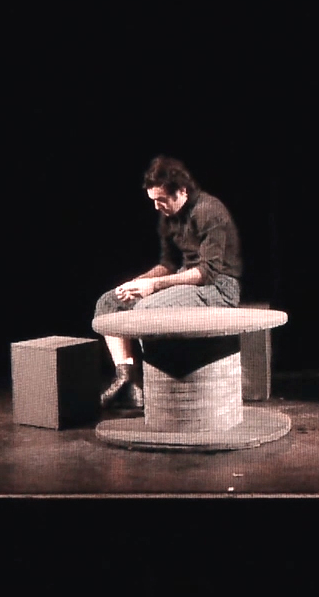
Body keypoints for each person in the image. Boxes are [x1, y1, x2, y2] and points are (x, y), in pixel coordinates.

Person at [95, 156, 243, 409]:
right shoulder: (168, 216)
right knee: (110, 302)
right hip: (187, 278)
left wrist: (154, 286)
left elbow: (207, 272)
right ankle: (127, 379)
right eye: (153, 200)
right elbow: (168, 264)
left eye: (162, 200)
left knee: (146, 309)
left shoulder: (209, 211)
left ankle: (157, 387)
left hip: (219, 287)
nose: (157, 206)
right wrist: (136, 282)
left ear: (182, 191)